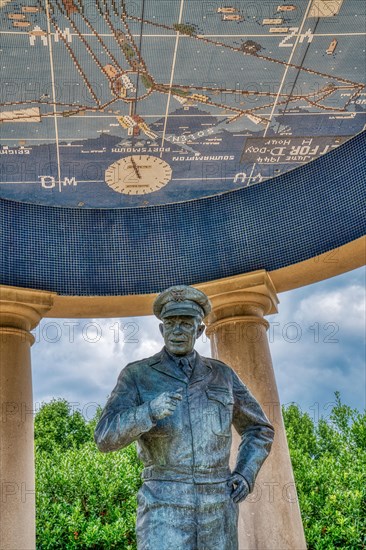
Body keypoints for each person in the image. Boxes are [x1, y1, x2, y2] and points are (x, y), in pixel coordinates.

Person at [95, 285, 274, 550]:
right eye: (170, 323)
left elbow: (259, 429)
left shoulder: (222, 375)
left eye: (186, 323)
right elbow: (104, 437)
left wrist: (245, 474)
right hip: (162, 505)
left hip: (218, 508)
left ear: (200, 330)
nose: (177, 330)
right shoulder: (137, 375)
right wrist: (148, 412)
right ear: (161, 329)